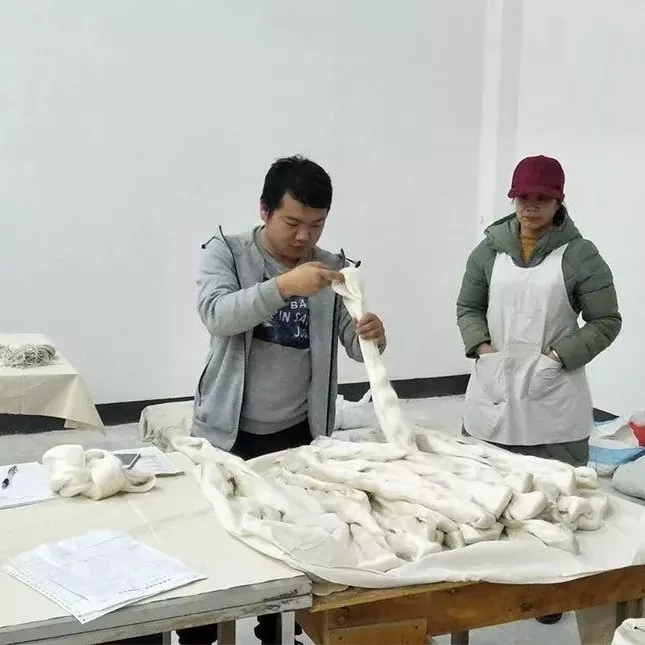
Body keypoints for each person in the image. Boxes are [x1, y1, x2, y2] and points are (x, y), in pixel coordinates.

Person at [180, 155, 386, 645]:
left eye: (316, 225)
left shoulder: (332, 267)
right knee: (214, 544)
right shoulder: (226, 253)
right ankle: (198, 636)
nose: (304, 236)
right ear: (265, 211)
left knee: (292, 546)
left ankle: (278, 631)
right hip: (227, 432)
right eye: (293, 223)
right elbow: (217, 315)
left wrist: (371, 334)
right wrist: (282, 287)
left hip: (298, 435)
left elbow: (350, 339)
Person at [456, 154, 621, 625]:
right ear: (513, 198)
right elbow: (468, 306)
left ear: (558, 201)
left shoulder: (580, 255)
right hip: (494, 386)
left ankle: (549, 593)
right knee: (490, 494)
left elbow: (606, 320)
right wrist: (482, 347)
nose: (531, 206)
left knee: (553, 498)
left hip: (553, 393)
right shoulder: (488, 250)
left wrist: (558, 358)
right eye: (523, 197)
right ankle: (491, 585)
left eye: (542, 198)